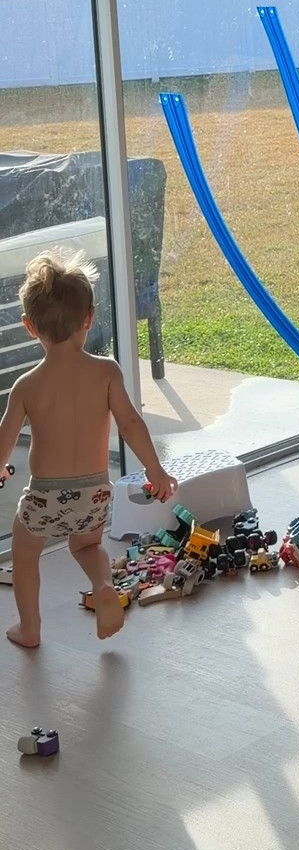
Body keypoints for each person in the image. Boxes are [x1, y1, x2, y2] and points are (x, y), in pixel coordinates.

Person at [0, 249, 176, 648]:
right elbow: (131, 424)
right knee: (88, 545)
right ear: (90, 318)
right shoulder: (107, 372)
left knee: (25, 554)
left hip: (45, 495)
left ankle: (30, 628)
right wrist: (155, 470)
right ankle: (103, 584)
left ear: (29, 326)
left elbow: (4, 440)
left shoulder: (26, 386)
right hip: (95, 491)